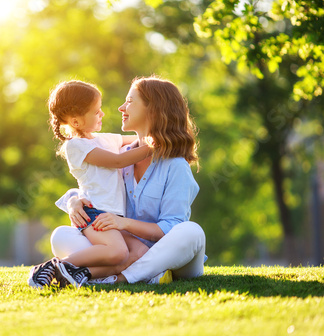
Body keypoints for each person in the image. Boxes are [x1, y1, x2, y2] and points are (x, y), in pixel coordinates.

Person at [49, 75, 206, 286]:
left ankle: (117, 278)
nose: (121, 108)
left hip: (169, 256)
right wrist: (74, 200)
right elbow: (96, 185)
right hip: (124, 250)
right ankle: (137, 275)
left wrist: (124, 223)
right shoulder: (119, 155)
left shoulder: (175, 165)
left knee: (192, 232)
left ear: (154, 109)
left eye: (130, 101)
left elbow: (170, 228)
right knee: (61, 235)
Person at [28, 80, 153, 288]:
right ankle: (55, 266)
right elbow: (118, 161)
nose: (102, 114)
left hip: (114, 217)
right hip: (94, 212)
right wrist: (155, 147)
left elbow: (133, 141)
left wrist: (153, 135)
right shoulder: (76, 146)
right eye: (96, 112)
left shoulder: (105, 139)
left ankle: (80, 274)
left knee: (140, 254)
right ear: (76, 122)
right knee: (118, 252)